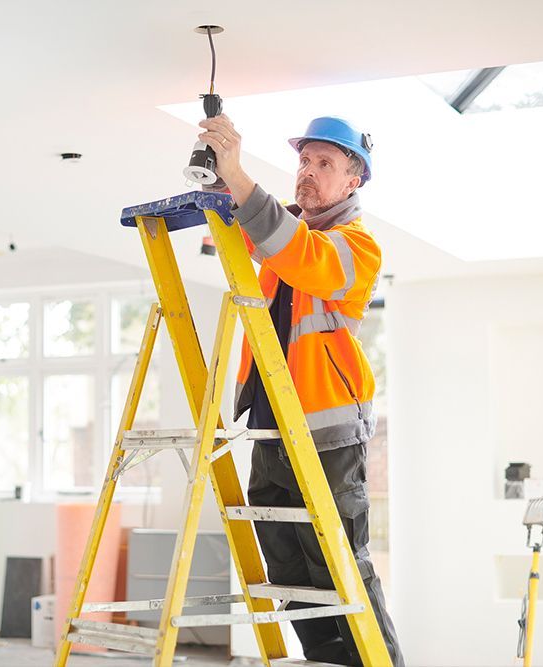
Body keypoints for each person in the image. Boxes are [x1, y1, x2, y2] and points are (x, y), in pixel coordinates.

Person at [197, 114, 404, 666]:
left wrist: (241, 179)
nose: (307, 174)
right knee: (288, 567)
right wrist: (220, 178)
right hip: (269, 425)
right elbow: (236, 241)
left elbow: (301, 257)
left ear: (352, 180)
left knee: (337, 562)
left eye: (325, 164)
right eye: (304, 161)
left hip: (325, 434)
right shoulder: (284, 232)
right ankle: (327, 660)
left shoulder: (356, 247)